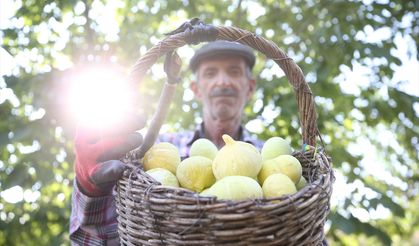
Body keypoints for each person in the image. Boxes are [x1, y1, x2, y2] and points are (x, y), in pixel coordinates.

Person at [70, 40, 262, 245]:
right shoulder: (156, 150)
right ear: (196, 89)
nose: (223, 81)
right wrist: (90, 188)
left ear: (250, 87)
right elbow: (93, 241)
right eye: (210, 73)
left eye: (233, 72)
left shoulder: (267, 156)